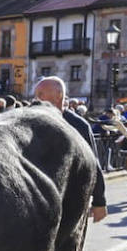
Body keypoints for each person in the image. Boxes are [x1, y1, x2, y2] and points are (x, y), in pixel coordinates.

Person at [34, 76, 106, 222]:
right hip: (40, 198)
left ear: (58, 96)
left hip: (70, 197)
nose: (36, 98)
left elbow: (92, 162)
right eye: (36, 94)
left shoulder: (78, 125)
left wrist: (99, 201)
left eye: (41, 94)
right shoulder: (32, 120)